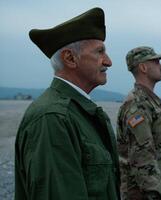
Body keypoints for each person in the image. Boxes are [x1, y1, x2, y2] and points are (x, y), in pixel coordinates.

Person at [14, 7, 120, 200]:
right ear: (70, 58)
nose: (109, 61)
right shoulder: (52, 118)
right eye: (99, 52)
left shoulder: (75, 112)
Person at [116, 46, 161, 200]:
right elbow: (142, 158)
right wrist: (156, 195)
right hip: (143, 194)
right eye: (156, 62)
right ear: (143, 67)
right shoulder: (138, 105)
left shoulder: (148, 101)